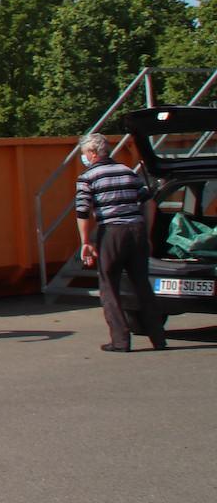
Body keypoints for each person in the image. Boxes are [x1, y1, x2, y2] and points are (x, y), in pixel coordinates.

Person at [75, 132, 165, 352]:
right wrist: (147, 234)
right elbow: (149, 202)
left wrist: (86, 242)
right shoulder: (127, 172)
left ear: (93, 153)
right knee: (142, 285)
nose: (83, 157)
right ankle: (158, 339)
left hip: (112, 233)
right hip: (137, 231)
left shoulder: (88, 177)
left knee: (109, 287)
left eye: (84, 153)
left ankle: (121, 340)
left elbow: (83, 212)